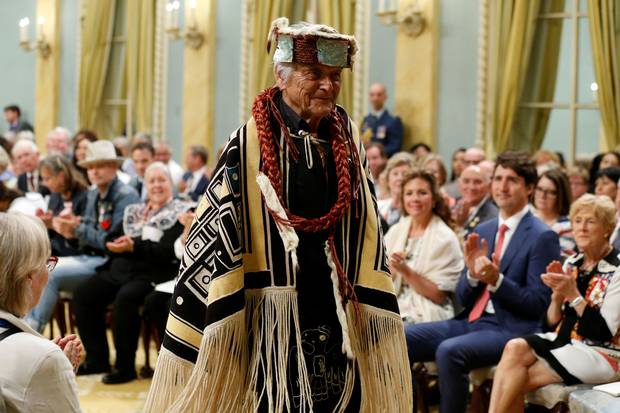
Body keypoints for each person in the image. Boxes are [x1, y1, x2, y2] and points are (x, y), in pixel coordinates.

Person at [144, 18, 411, 413]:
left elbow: (365, 215)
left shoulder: (346, 134)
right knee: (282, 400)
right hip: (273, 304)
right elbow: (216, 224)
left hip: (336, 294)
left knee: (344, 396)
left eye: (335, 76)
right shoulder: (247, 142)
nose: (328, 85)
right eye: (315, 74)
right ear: (281, 77)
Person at [405, 151, 561, 413]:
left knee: (449, 351)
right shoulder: (484, 229)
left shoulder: (542, 236)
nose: (502, 186)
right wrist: (472, 276)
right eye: (498, 178)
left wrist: (496, 280)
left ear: (530, 187)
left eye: (511, 180)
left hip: (512, 328)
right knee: (399, 337)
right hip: (472, 321)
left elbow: (536, 305)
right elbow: (463, 297)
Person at [489, 194, 620, 413]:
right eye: (577, 221)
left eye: (590, 221)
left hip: (603, 354)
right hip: (566, 343)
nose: (582, 228)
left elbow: (604, 331)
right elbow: (551, 322)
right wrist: (557, 296)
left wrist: (573, 294)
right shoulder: (572, 262)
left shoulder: (616, 270)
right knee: (514, 348)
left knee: (514, 380)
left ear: (607, 228)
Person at [73, 162, 190, 384]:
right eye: (151, 181)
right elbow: (114, 237)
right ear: (145, 185)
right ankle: (98, 359)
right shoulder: (135, 211)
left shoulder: (181, 212)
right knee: (84, 294)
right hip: (122, 268)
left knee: (125, 299)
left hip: (153, 273)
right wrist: (116, 243)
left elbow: (168, 251)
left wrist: (133, 246)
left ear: (171, 184)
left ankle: (125, 368)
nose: (156, 185)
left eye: (161, 180)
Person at [25, 140, 140, 333]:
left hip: (111, 263)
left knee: (49, 271)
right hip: (90, 256)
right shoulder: (94, 194)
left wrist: (77, 228)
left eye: (100, 165)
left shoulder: (126, 195)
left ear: (113, 166)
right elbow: (85, 235)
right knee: (38, 266)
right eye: (90, 167)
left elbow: (111, 241)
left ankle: (31, 331)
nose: (94, 171)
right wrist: (69, 230)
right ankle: (25, 326)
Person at [0, 212, 81, 412]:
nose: (49, 272)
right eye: (47, 263)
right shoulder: (43, 357)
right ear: (28, 275)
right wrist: (51, 365)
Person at [385, 169, 463, 324]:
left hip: (428, 311)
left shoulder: (445, 238)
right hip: (393, 305)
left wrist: (405, 271)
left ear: (434, 200)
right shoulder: (396, 230)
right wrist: (392, 268)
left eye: (422, 193)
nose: (415, 198)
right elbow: (381, 275)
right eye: (409, 193)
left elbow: (439, 296)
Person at [36, 155, 89, 257]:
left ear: (61, 176)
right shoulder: (55, 195)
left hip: (78, 254)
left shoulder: (85, 196)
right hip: (57, 252)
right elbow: (51, 236)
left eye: (47, 179)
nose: (45, 184)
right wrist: (45, 223)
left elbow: (85, 241)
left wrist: (69, 228)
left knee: (50, 271)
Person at [532, 168, 576, 260]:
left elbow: (558, 260)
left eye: (551, 192)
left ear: (561, 195)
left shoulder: (569, 226)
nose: (542, 195)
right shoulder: (525, 217)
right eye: (539, 189)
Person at [452, 164, 498, 236]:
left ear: (488, 186)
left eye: (477, 182)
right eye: (466, 181)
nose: (471, 187)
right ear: (459, 183)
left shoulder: (492, 216)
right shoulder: (452, 206)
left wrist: (459, 227)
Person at [361, 83, 403, 157]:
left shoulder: (394, 121)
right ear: (369, 98)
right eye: (372, 95)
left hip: (384, 161)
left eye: (379, 95)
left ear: (385, 97)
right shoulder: (366, 120)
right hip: (367, 161)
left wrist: (376, 153)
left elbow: (395, 146)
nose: (375, 98)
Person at [377, 151, 415, 227]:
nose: (399, 178)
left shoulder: (415, 209)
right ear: (387, 179)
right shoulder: (378, 206)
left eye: (405, 174)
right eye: (395, 174)